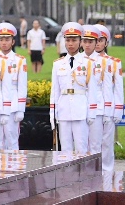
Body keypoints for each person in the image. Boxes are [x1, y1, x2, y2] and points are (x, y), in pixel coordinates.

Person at [49, 22, 97, 153]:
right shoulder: (58, 64)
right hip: (63, 109)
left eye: (74, 40)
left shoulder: (88, 63)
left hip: (80, 109)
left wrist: (91, 113)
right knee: (65, 149)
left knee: (81, 147)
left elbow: (92, 89)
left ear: (80, 41)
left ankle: (82, 174)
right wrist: (52, 114)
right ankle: (67, 174)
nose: (71, 43)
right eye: (68, 40)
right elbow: (55, 91)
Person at [94, 24, 122, 173]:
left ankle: (107, 171)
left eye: (101, 39)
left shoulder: (114, 62)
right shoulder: (84, 61)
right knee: (91, 143)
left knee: (107, 142)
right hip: (90, 108)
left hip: (108, 107)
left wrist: (117, 110)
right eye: (95, 39)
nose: (97, 43)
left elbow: (118, 88)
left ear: (106, 42)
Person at [0, 22, 28, 150]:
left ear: (13, 42)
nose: (4, 42)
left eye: (7, 39)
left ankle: (14, 167)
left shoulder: (19, 60)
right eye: (2, 39)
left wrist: (21, 108)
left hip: (13, 103)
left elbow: (22, 86)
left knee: (12, 139)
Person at [81, 26, 107, 160]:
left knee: (95, 145)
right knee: (80, 146)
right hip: (79, 107)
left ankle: (96, 175)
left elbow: (107, 88)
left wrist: (108, 111)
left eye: (90, 41)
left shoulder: (103, 61)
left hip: (97, 106)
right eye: (84, 41)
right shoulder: (75, 60)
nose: (87, 44)